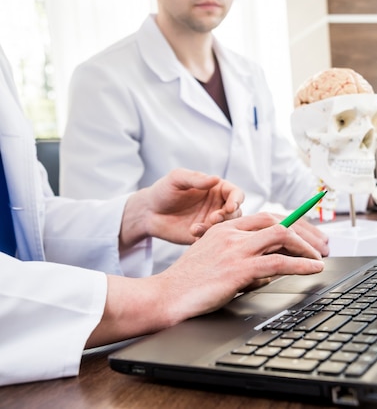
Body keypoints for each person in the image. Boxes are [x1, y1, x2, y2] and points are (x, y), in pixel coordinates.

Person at [0, 44, 328, 387]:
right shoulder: (103, 75)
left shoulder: (249, 72)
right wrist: (166, 290)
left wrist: (138, 217)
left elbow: (25, 221)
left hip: (219, 298)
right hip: (110, 333)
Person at [59, 0, 329, 273]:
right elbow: (99, 231)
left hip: (263, 272)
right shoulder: (103, 79)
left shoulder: (250, 74)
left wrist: (364, 194)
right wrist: (249, 240)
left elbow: (286, 175)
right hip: (171, 288)